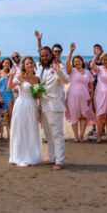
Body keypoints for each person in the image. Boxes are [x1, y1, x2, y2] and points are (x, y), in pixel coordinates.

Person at [35, 31, 69, 170]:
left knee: (57, 134)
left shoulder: (59, 67)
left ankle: (59, 161)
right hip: (43, 106)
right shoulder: (40, 69)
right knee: (48, 134)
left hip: (55, 105)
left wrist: (58, 71)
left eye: (46, 55)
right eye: (42, 55)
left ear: (51, 56)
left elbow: (67, 80)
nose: (44, 57)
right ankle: (51, 157)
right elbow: (37, 83)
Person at [9, 56, 43, 167]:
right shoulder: (20, 77)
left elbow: (38, 96)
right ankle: (20, 156)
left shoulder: (37, 79)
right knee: (21, 129)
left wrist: (38, 91)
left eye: (31, 63)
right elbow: (10, 87)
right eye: (27, 64)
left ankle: (32, 155)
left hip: (32, 105)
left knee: (31, 129)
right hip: (21, 104)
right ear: (24, 65)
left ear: (34, 64)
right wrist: (10, 75)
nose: (29, 65)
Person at [64, 43, 96, 143]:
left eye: (79, 61)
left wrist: (91, 96)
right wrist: (71, 51)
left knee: (83, 116)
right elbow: (67, 62)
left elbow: (91, 85)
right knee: (74, 116)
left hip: (85, 96)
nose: (77, 62)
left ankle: (81, 136)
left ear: (82, 62)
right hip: (72, 96)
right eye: (75, 61)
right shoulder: (71, 70)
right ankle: (76, 136)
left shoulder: (87, 72)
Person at [0, 49, 15, 140]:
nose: (6, 64)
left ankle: (10, 134)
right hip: (0, 97)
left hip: (9, 96)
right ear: (3, 64)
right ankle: (0, 134)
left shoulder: (11, 74)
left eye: (8, 63)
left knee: (10, 115)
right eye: (5, 63)